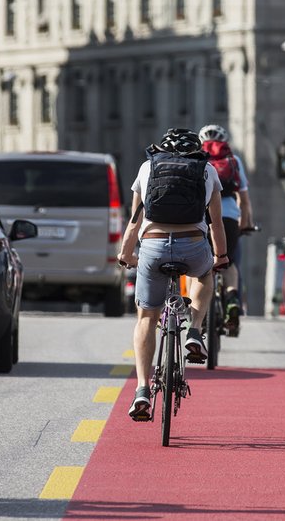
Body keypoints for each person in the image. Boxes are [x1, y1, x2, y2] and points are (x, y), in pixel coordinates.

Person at [117, 128, 229, 421]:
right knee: (204, 275)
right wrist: (221, 257)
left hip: (153, 246)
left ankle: (142, 390)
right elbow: (216, 222)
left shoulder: (147, 167)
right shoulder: (207, 169)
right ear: (195, 149)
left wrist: (126, 254)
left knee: (146, 317)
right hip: (192, 244)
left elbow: (134, 220)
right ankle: (195, 330)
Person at [197, 124, 254, 333]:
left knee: (201, 266)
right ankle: (231, 298)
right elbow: (244, 200)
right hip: (229, 217)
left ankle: (201, 310)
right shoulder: (234, 160)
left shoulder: (196, 159)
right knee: (228, 262)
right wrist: (245, 224)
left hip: (202, 216)